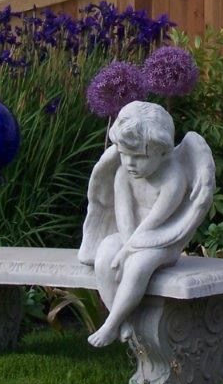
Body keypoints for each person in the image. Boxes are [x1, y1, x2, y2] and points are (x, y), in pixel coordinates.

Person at [78, 101, 214, 347]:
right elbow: (124, 213)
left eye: (139, 157)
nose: (129, 163)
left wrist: (128, 251)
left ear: (163, 152)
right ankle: (121, 320)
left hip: (163, 240)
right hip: (130, 235)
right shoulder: (123, 173)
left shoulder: (173, 179)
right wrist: (123, 248)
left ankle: (110, 325)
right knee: (104, 257)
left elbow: (155, 221)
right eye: (123, 154)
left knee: (138, 265)